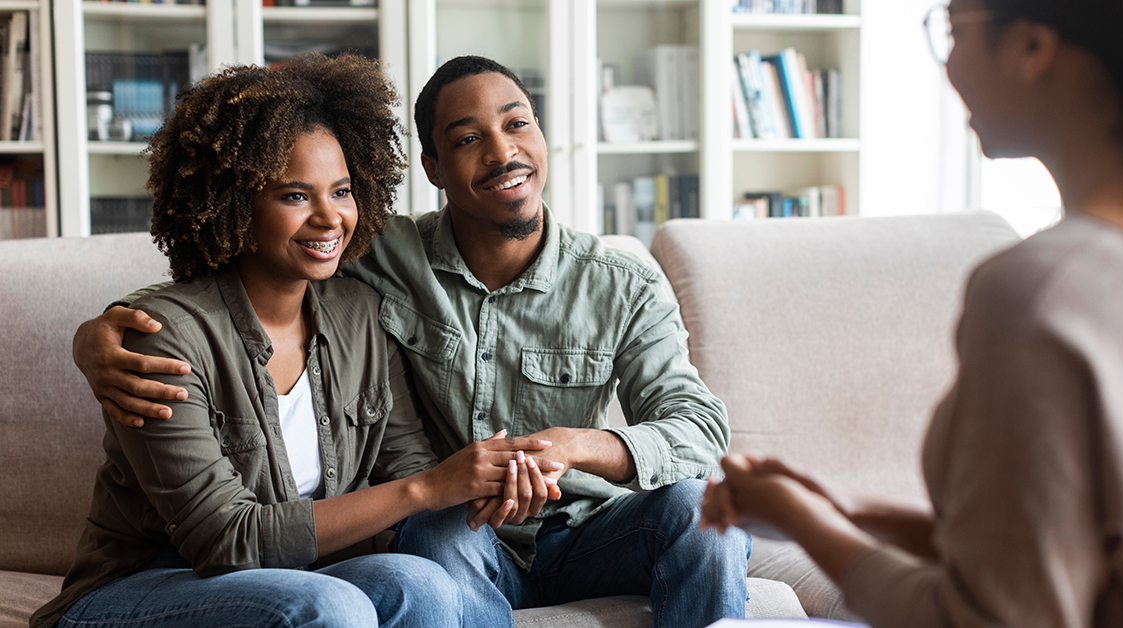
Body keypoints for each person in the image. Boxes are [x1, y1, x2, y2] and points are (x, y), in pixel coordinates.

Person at [71, 55, 751, 628]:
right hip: (428, 535)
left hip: (582, 527)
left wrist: (573, 446)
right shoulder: (377, 261)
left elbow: (699, 426)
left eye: (517, 124)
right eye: (467, 138)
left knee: (704, 510)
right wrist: (94, 338)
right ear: (431, 165)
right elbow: (211, 291)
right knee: (421, 547)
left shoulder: (616, 282)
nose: (503, 151)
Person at [701, 1, 1123, 626]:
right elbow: (1087, 553)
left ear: (1031, 48)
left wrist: (808, 525)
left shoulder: (1042, 292)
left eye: (954, 29)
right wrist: (845, 510)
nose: (948, 64)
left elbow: (983, 616)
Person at [34, 54, 560, 628]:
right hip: (145, 584)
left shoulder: (360, 315)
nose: (329, 218)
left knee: (420, 582)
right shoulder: (164, 340)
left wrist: (502, 477)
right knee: (327, 604)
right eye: (294, 196)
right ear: (236, 203)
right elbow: (224, 539)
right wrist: (427, 489)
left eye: (341, 191)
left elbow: (409, 467)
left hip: (297, 577)